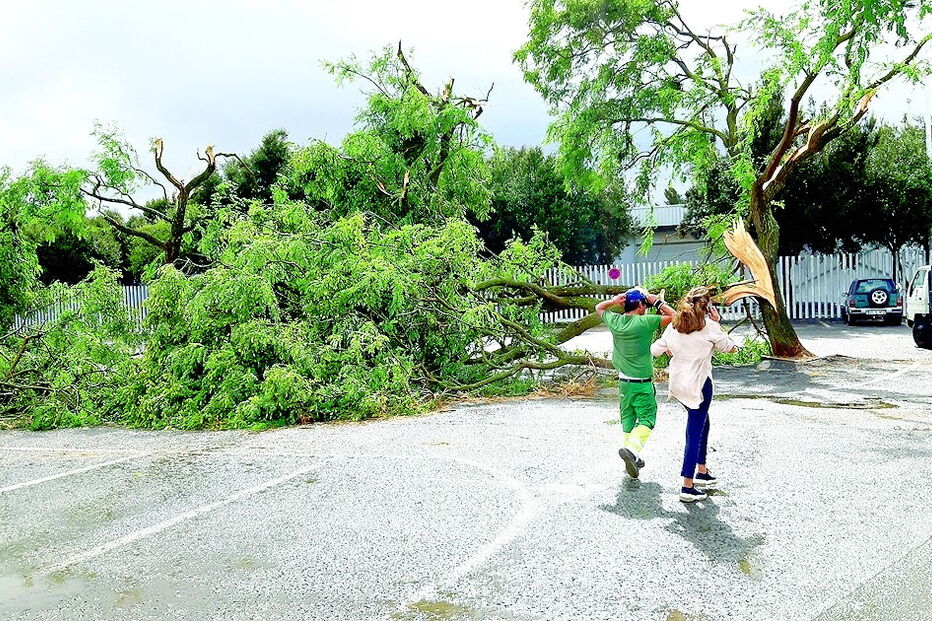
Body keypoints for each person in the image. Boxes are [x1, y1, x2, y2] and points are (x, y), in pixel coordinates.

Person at [650, 287, 737, 503]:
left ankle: (702, 471)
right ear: (707, 306)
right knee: (694, 431)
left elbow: (654, 350)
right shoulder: (710, 326)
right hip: (699, 385)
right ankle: (687, 486)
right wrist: (718, 323)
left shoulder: (674, 326)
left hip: (680, 385)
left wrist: (671, 348)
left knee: (702, 423)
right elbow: (729, 348)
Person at [596, 287, 674, 478]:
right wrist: (657, 301)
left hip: (623, 383)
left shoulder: (616, 321)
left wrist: (614, 301)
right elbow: (677, 316)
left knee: (628, 421)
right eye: (645, 304)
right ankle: (631, 450)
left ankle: (632, 455)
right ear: (640, 304)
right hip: (642, 383)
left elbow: (599, 307)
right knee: (647, 419)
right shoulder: (645, 322)